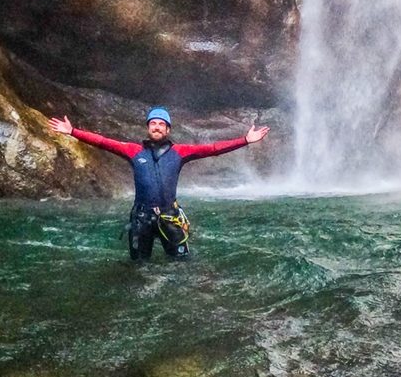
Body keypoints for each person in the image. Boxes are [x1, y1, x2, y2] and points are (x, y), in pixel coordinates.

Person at [48, 106, 269, 261]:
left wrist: (245, 140)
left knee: (182, 265)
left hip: (170, 216)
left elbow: (212, 149)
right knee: (139, 267)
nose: (156, 127)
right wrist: (73, 132)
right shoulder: (133, 151)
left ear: (168, 129)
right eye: (153, 123)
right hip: (141, 217)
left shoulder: (180, 152)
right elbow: (104, 142)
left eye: (161, 124)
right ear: (147, 127)